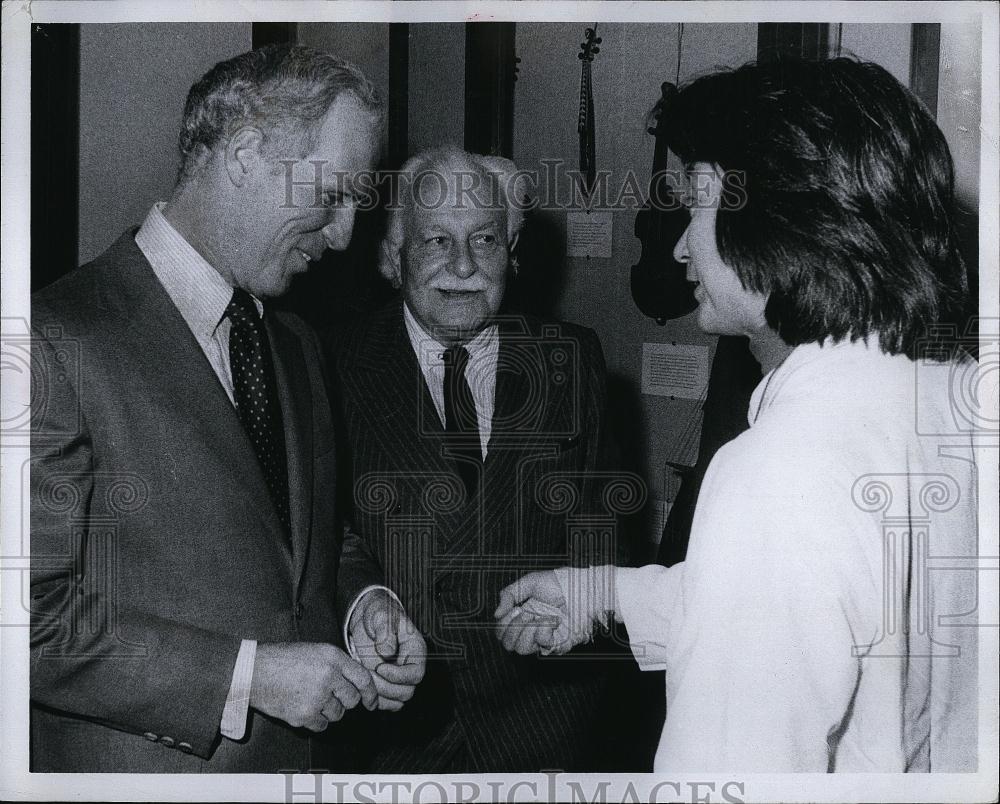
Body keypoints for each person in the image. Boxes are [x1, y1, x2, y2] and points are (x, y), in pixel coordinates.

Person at [496, 57, 978, 772]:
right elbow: (808, 609)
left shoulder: (778, 469)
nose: (683, 243)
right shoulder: (950, 399)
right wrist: (602, 594)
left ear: (774, 219)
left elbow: (724, 774)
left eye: (697, 202)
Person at [30, 44, 425, 773]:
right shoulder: (54, 339)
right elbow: (26, 620)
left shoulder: (297, 344)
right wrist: (249, 677)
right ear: (245, 153)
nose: (343, 238)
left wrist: (363, 602)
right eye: (331, 196)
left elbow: (313, 539)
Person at [330, 146, 627, 772]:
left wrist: (579, 601)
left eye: (485, 240)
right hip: (395, 734)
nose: (463, 265)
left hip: (543, 726)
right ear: (393, 257)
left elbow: (602, 530)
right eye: (436, 240)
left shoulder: (573, 360)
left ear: (513, 253)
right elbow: (322, 536)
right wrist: (364, 603)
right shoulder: (331, 364)